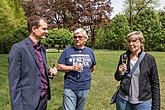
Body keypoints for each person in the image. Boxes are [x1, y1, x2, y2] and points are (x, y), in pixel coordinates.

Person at [8, 15, 57, 110]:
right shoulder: (18, 49)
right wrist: (17, 107)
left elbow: (38, 69)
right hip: (28, 102)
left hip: (43, 99)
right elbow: (14, 81)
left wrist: (49, 71)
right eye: (44, 29)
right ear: (34, 29)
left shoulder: (42, 48)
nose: (47, 31)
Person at [114, 31, 160, 110]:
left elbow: (155, 84)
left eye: (134, 41)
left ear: (141, 43)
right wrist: (120, 72)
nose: (131, 44)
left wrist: (156, 107)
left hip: (143, 103)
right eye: (129, 41)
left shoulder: (149, 59)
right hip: (123, 100)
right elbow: (117, 77)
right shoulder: (124, 56)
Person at [57, 28, 96, 110]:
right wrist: (72, 68)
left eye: (80, 37)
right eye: (75, 37)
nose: (77, 39)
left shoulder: (90, 51)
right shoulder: (67, 51)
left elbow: (93, 67)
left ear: (85, 38)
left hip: (84, 86)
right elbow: (59, 66)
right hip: (70, 86)